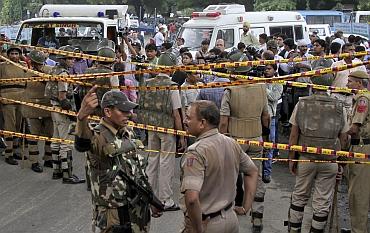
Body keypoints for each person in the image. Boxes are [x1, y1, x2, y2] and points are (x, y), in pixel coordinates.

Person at [75, 87, 158, 233]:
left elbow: (138, 169)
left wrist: (150, 198)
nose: (129, 115)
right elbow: (82, 143)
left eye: (129, 111)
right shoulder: (98, 135)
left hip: (137, 208)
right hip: (114, 213)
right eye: (123, 111)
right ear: (107, 112)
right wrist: (82, 117)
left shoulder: (128, 132)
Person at [180, 100, 258, 233]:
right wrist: (246, 207)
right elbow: (252, 171)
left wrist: (198, 229)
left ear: (202, 123)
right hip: (230, 219)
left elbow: (192, 199)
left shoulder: (196, 152)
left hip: (207, 224)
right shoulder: (231, 143)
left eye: (188, 117)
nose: (184, 121)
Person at [287, 74, 348, 233]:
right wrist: (341, 162)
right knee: (322, 201)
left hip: (306, 158)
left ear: (312, 83)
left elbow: (294, 135)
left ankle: (294, 229)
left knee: (299, 196)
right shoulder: (340, 106)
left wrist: (291, 158)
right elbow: (344, 137)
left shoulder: (302, 104)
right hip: (329, 160)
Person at [219, 52, 270, 233]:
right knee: (255, 175)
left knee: (230, 178)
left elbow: (224, 120)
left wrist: (221, 139)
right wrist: (266, 135)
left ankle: (229, 214)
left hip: (235, 140)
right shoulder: (261, 87)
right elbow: (266, 116)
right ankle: (257, 217)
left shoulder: (230, 91)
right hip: (256, 138)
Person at [137, 51, 185, 211]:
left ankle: (149, 196)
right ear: (171, 69)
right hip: (167, 130)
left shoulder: (148, 83)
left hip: (151, 128)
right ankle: (166, 200)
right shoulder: (171, 87)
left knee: (152, 161)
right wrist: (182, 136)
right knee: (166, 163)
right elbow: (176, 114)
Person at [44, 45, 85, 184]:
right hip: (62, 110)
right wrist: (72, 114)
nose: (72, 60)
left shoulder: (54, 69)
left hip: (53, 108)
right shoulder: (63, 74)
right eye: (69, 58)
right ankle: (68, 174)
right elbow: (62, 97)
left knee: (56, 140)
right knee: (66, 142)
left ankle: (57, 171)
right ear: (63, 59)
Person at [345, 70, 370, 233]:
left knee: (358, 195)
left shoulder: (363, 99)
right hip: (362, 146)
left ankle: (358, 230)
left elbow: (354, 128)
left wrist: (339, 131)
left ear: (359, 83)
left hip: (361, 147)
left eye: (350, 81)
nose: (347, 84)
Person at [21, 50, 54, 172]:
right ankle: (34, 161)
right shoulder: (25, 71)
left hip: (47, 105)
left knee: (50, 135)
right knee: (33, 136)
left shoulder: (50, 70)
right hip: (31, 106)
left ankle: (48, 158)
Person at [0, 46, 29, 165]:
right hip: (7, 100)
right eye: (12, 53)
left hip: (21, 99)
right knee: (9, 127)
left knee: (18, 125)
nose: (14, 56)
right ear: (8, 55)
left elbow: (28, 81)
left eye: (17, 53)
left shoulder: (23, 66)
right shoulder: (2, 66)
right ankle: (8, 154)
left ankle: (16, 150)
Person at [262, 62, 283, 183]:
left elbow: (274, 97)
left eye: (269, 69)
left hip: (271, 118)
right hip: (259, 116)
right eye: (265, 69)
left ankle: (267, 172)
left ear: (275, 70)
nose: (266, 71)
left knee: (269, 145)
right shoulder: (259, 81)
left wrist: (263, 88)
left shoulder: (278, 82)